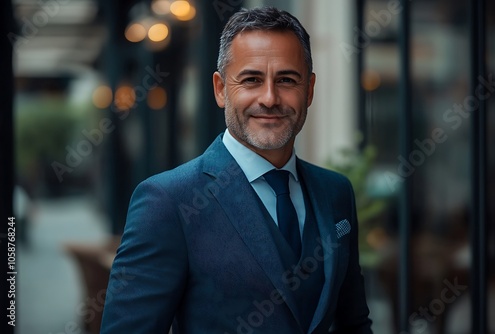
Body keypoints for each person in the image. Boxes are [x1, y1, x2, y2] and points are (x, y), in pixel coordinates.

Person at [101, 6, 372, 334]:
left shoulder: (335, 191)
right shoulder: (167, 201)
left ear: (309, 90)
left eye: (286, 79)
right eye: (252, 80)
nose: (270, 98)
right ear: (220, 89)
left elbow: (354, 323)